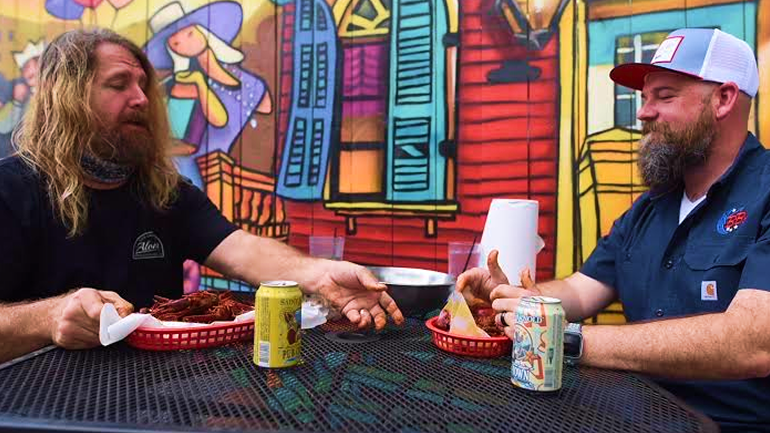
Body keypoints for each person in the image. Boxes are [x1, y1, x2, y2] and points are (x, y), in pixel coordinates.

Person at [0, 29, 403, 363]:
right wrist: (47, 316)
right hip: (40, 407)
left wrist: (320, 275)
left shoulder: (164, 191)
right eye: (118, 84)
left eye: (142, 84)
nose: (141, 98)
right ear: (63, 97)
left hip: (158, 398)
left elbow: (241, 249)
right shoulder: (12, 190)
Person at [458, 28, 769, 433]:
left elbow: (753, 341)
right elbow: (580, 290)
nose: (643, 112)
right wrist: (515, 298)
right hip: (633, 414)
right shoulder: (649, 208)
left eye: (665, 95)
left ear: (724, 99)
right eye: (644, 97)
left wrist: (569, 339)